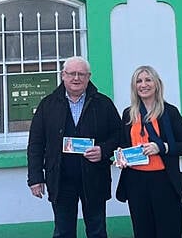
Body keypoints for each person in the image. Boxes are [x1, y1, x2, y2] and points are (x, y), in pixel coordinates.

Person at [27, 56, 122, 238]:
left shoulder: (103, 104)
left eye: (81, 74)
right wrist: (35, 177)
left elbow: (118, 135)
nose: (76, 78)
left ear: (88, 77)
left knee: (97, 231)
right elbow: (36, 144)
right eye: (71, 74)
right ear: (63, 75)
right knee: (63, 232)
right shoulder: (48, 105)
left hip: (95, 178)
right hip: (61, 180)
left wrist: (103, 150)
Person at [115, 65, 182, 238]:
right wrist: (120, 157)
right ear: (134, 86)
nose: (144, 84)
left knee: (168, 231)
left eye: (148, 80)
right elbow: (123, 145)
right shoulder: (128, 114)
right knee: (143, 232)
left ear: (157, 84)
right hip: (136, 182)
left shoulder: (170, 112)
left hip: (164, 181)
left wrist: (162, 147)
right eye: (139, 81)